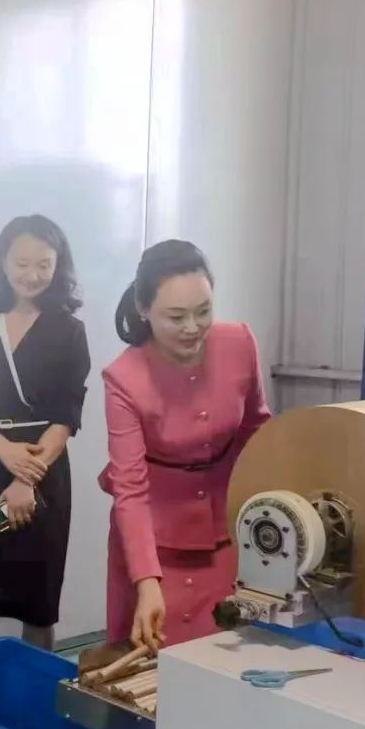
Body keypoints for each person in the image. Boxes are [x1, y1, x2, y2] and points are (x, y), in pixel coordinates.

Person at [100, 239, 271, 652]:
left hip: (227, 532)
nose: (193, 327)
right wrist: (147, 581)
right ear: (144, 309)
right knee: (154, 661)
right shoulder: (124, 378)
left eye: (203, 311)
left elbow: (258, 432)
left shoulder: (239, 342)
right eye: (176, 316)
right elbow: (130, 488)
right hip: (154, 545)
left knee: (231, 651)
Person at [0, 215, 91, 652]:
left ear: (58, 266)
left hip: (43, 470)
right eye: (22, 263)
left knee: (37, 600)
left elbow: (66, 413)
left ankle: (35, 690)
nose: (32, 274)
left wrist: (26, 476)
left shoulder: (69, 329)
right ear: (2, 262)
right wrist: (5, 452)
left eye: (44, 264)